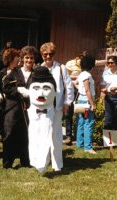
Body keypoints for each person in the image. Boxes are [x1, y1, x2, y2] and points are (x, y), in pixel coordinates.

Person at [40, 42, 74, 171]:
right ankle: (44, 162)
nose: (48, 56)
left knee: (56, 136)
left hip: (58, 107)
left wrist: (67, 102)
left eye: (51, 54)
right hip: (43, 108)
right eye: (45, 54)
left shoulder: (61, 68)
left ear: (54, 54)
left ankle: (57, 164)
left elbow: (69, 86)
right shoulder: (39, 68)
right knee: (44, 135)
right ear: (42, 55)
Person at [2, 45, 37, 169]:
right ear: (22, 58)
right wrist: (18, 90)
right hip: (13, 107)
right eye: (27, 58)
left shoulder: (36, 74)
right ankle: (7, 163)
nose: (29, 61)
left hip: (30, 108)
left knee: (27, 134)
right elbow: (6, 87)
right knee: (9, 133)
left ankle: (26, 161)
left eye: (31, 58)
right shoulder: (15, 72)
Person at [28, 66, 57, 173]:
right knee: (33, 137)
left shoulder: (52, 82)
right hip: (33, 112)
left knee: (47, 136)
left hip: (48, 112)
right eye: (36, 89)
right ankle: (35, 161)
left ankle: (43, 162)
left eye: (46, 89)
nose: (41, 94)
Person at [73, 55, 96, 154]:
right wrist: (93, 104)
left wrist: (80, 89)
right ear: (91, 65)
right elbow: (87, 90)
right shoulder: (87, 75)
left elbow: (75, 83)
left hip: (80, 101)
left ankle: (79, 144)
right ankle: (88, 147)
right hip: (87, 102)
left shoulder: (81, 74)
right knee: (89, 123)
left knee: (81, 122)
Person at [64, 52, 86, 145]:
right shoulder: (70, 64)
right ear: (77, 58)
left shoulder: (85, 66)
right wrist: (77, 78)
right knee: (69, 114)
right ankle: (69, 136)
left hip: (81, 91)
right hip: (72, 90)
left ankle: (79, 136)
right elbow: (66, 77)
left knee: (80, 113)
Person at [100, 56, 117, 132]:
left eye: (111, 62)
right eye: (108, 62)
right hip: (108, 98)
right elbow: (102, 85)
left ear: (116, 63)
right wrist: (104, 90)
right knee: (108, 119)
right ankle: (108, 142)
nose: (109, 64)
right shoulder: (105, 73)